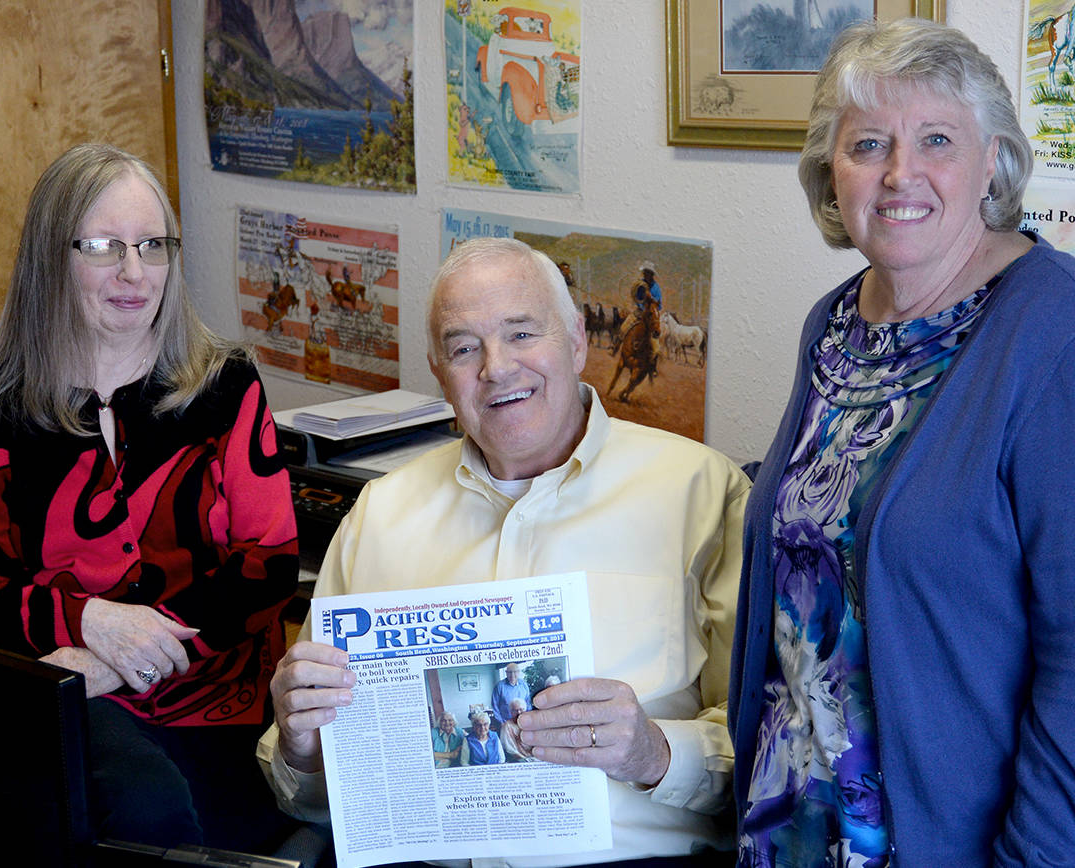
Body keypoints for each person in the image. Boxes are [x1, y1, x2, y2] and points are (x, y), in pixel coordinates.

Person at [728, 19, 1075, 867]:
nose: (901, 173)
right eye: (869, 143)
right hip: (793, 828)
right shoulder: (836, 327)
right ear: (833, 174)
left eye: (937, 138)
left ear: (993, 164)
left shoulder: (1074, 347)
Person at [260, 237, 750, 866]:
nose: (497, 367)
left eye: (522, 334)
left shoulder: (704, 494)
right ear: (440, 374)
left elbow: (777, 753)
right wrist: (302, 747)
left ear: (576, 339)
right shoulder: (380, 515)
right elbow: (306, 797)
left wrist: (655, 752)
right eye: (465, 347)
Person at [0, 143, 300, 854]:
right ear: (52, 258)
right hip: (74, 704)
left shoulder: (226, 387)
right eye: (103, 247)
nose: (136, 273)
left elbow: (271, 565)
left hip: (218, 701)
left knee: (209, 830)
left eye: (152, 245)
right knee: (138, 811)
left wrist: (129, 655)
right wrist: (91, 621)